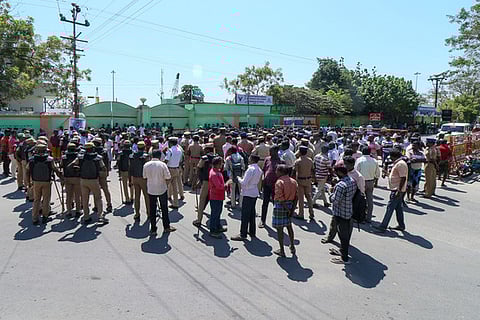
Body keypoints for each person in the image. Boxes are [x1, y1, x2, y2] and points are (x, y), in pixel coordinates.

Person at [69, 142, 107, 224]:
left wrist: (78, 170)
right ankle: (100, 216)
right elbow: (103, 168)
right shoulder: (98, 157)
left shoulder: (80, 157)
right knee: (98, 198)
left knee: (85, 199)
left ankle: (86, 216)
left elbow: (72, 165)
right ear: (93, 148)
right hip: (94, 180)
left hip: (83, 180)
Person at [327, 165, 357, 264]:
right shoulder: (352, 181)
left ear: (339, 173)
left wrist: (330, 192)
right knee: (345, 233)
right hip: (348, 210)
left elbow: (335, 200)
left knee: (343, 235)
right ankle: (342, 251)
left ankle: (344, 258)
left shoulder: (341, 185)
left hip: (340, 212)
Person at [27, 143, 63, 225]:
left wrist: (28, 182)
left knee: (36, 200)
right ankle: (45, 216)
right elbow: (55, 169)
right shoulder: (49, 159)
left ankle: (35, 218)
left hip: (36, 182)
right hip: (46, 182)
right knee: (46, 200)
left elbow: (27, 171)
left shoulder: (32, 160)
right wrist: (61, 176)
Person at [143, 150, 176, 236]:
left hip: (151, 189)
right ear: (160, 156)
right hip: (162, 189)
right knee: (164, 208)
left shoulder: (146, 165)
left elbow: (144, 176)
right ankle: (166, 227)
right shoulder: (162, 165)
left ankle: (153, 229)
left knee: (152, 209)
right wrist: (166, 184)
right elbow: (168, 177)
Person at [374, 149, 408, 232]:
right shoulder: (398, 163)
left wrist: (399, 190)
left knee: (390, 208)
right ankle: (401, 225)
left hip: (396, 190)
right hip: (396, 189)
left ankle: (383, 227)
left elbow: (403, 178)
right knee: (398, 208)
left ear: (394, 156)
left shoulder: (400, 164)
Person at [231, 154, 262, 241]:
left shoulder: (250, 169)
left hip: (248, 193)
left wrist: (238, 178)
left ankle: (243, 234)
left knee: (245, 214)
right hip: (254, 192)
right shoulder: (258, 169)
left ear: (252, 159)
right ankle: (252, 231)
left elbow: (244, 182)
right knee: (252, 213)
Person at [272, 164, 298, 257]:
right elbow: (296, 197)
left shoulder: (279, 182)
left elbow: (280, 197)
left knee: (280, 229)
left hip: (280, 206)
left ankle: (282, 250)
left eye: (277, 171)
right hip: (290, 205)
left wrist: (287, 209)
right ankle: (292, 246)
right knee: (289, 226)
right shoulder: (294, 181)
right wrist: (292, 209)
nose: (276, 172)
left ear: (281, 172)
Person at [355, 146, 381, 223]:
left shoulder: (359, 160)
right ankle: (369, 218)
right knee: (370, 200)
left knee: (359, 200)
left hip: (361, 181)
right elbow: (377, 174)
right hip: (370, 181)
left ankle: (360, 217)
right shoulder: (374, 161)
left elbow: (356, 172)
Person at [260, 145, 281, 228]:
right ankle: (262, 220)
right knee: (265, 203)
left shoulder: (281, 161)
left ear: (276, 152)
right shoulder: (267, 159)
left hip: (276, 186)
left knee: (275, 204)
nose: (270, 153)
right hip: (266, 184)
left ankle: (276, 221)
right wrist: (262, 181)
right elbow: (264, 170)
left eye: (271, 151)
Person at [129, 141, 150, 221]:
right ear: (144, 147)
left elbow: (130, 168)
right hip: (143, 178)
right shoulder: (145, 156)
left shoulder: (132, 156)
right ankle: (149, 213)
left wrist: (130, 179)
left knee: (137, 197)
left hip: (135, 177)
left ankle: (137, 214)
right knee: (147, 196)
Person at [293, 146, 315, 220]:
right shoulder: (310, 160)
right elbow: (313, 170)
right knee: (309, 197)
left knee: (301, 198)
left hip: (300, 181)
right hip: (308, 180)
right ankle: (311, 212)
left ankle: (301, 214)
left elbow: (294, 172)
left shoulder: (298, 161)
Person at [61, 143, 82, 218]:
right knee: (77, 195)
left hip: (67, 177)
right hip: (77, 178)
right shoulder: (78, 157)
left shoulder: (64, 157)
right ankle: (78, 210)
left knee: (68, 195)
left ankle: (69, 211)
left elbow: (61, 166)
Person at [93, 137, 113, 213]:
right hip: (103, 171)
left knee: (96, 190)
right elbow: (107, 162)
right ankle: (109, 204)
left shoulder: (93, 151)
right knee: (105, 189)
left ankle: (96, 206)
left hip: (95, 172)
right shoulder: (104, 151)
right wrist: (107, 171)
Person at [208, 157, 226, 239]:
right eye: (221, 163)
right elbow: (219, 186)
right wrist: (226, 185)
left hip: (219, 196)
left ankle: (218, 226)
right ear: (217, 164)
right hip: (215, 196)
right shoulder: (214, 174)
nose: (222, 165)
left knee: (218, 212)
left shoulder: (217, 171)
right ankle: (213, 230)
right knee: (215, 213)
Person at [165, 137, 184, 209]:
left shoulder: (170, 150)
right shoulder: (179, 150)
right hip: (176, 168)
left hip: (170, 169)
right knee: (175, 187)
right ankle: (175, 203)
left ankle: (164, 202)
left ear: (171, 143)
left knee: (165, 186)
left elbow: (167, 160)